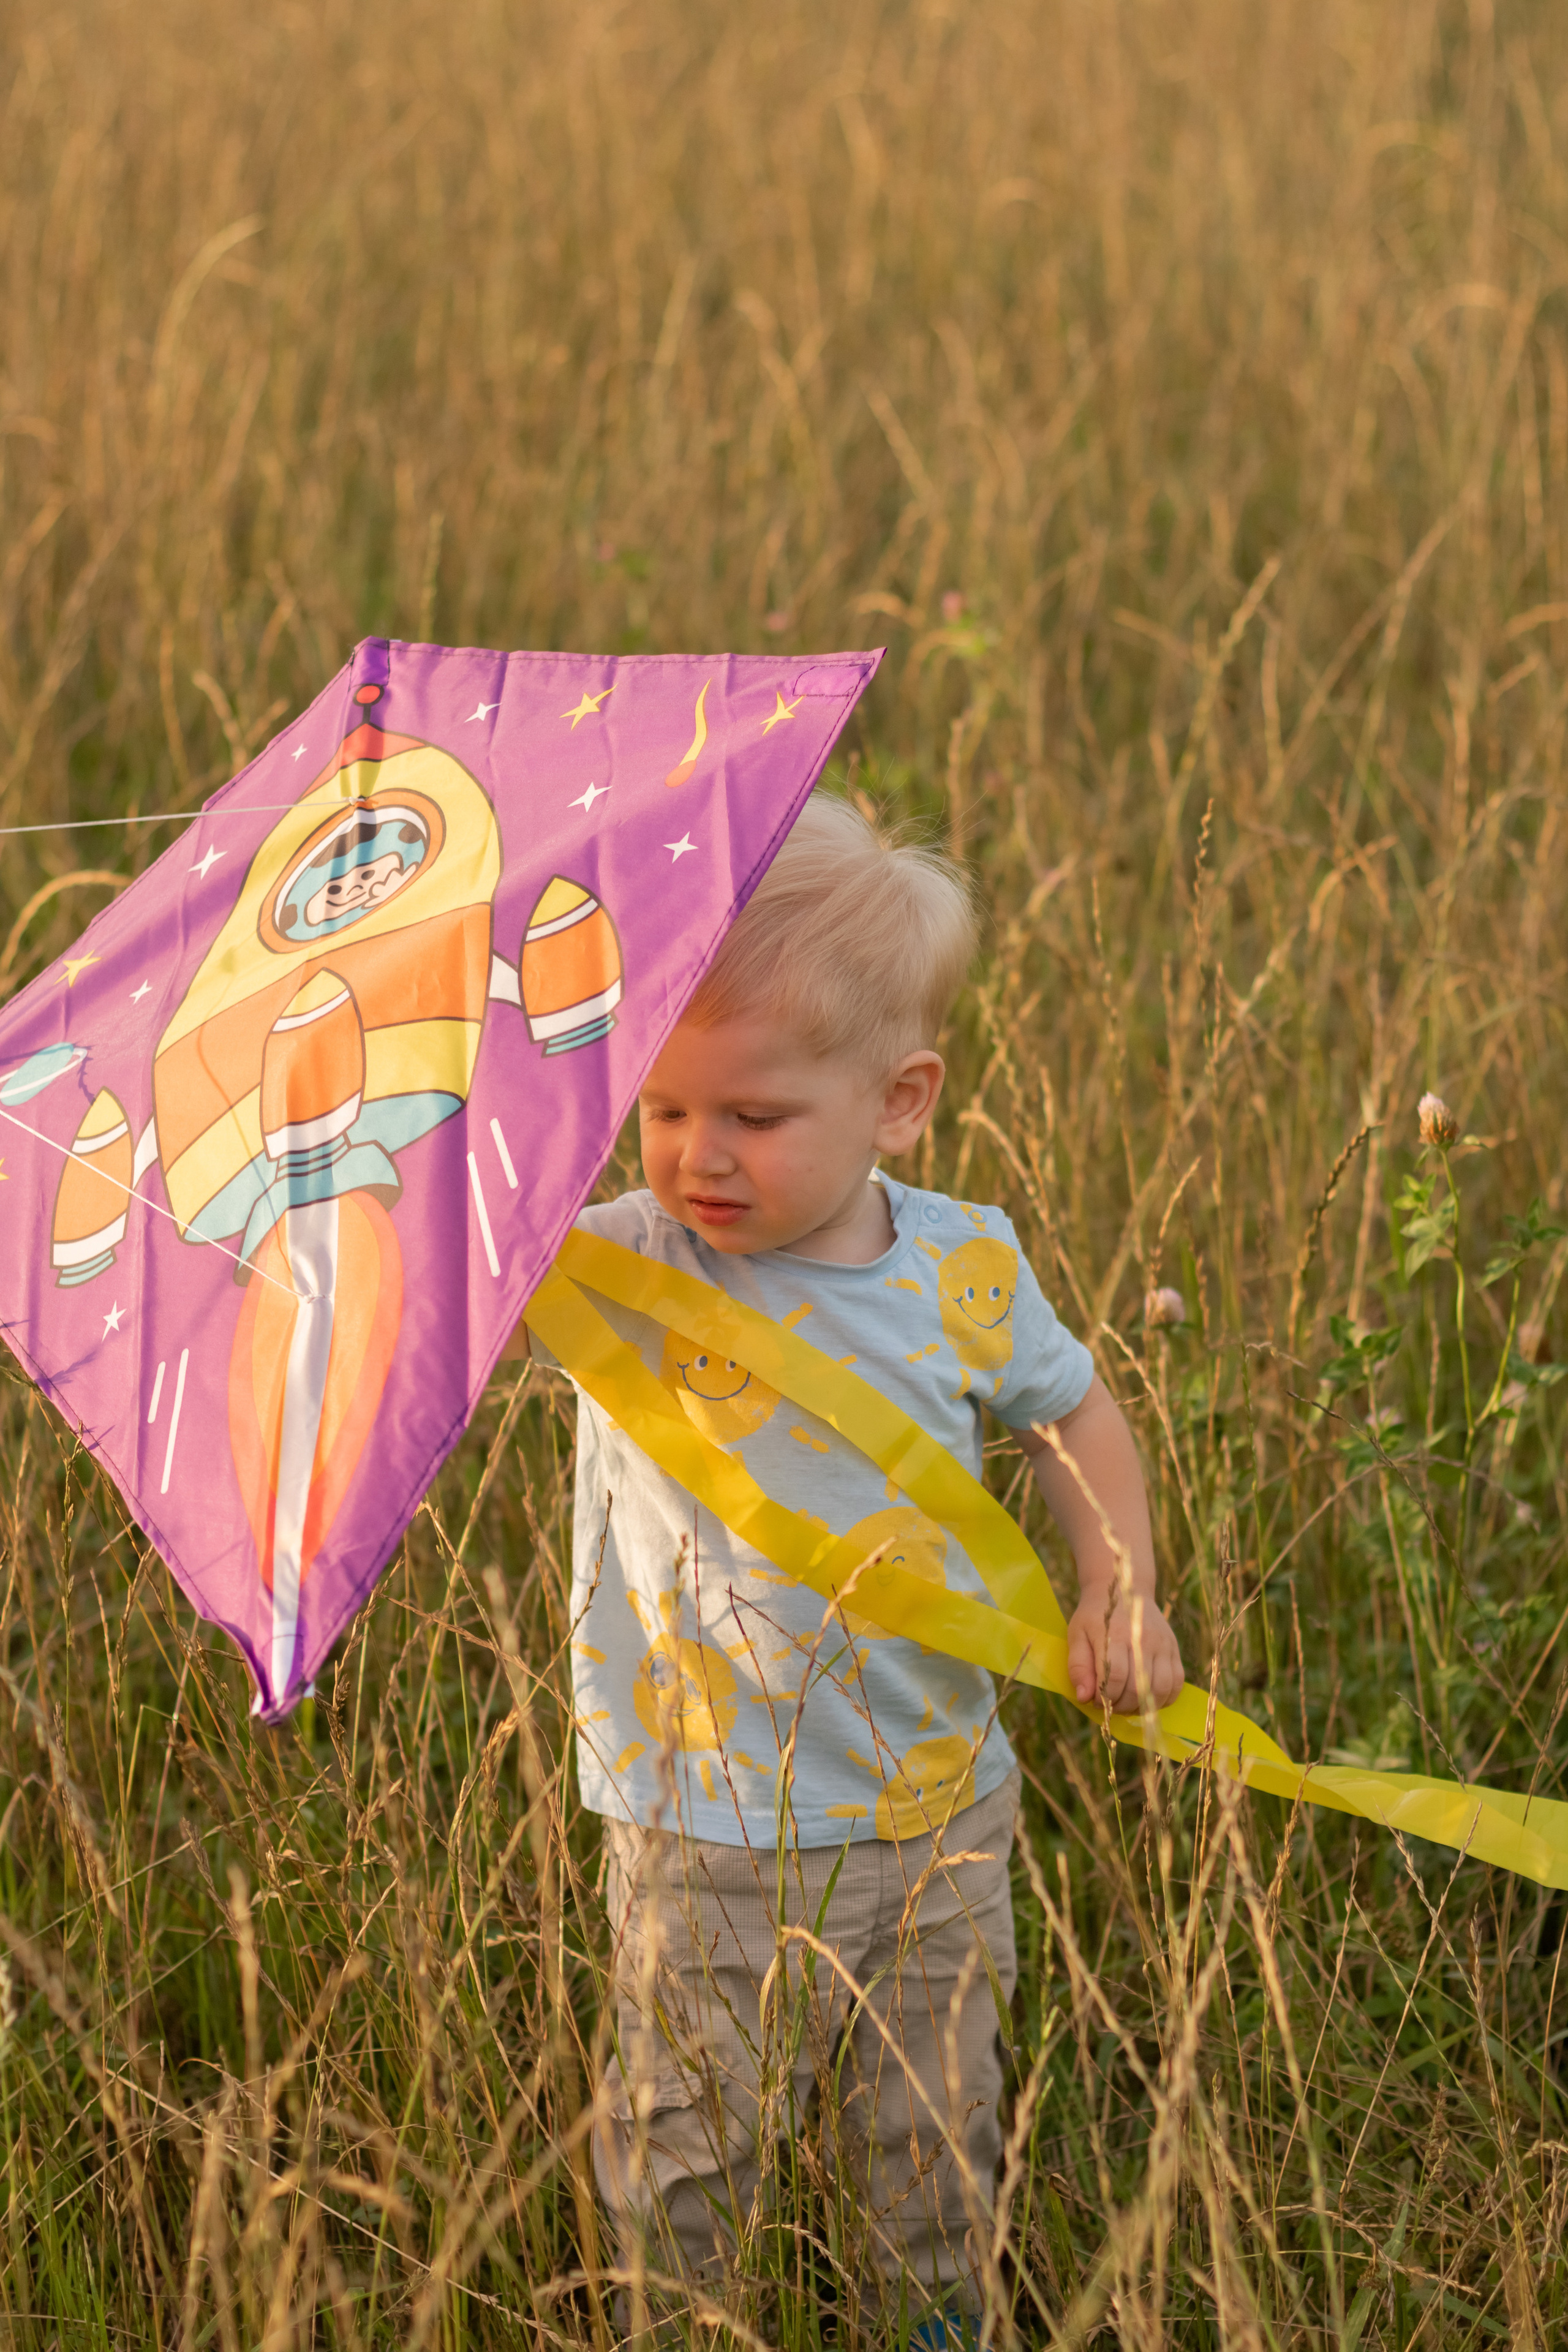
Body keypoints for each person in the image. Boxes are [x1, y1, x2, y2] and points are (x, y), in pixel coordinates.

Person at [503, 791, 1183, 2346]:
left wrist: (1117, 1584)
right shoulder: (614, 1261)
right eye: (662, 1109)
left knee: (933, 2151)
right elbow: (464, 1278)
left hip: (938, 1805)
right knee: (685, 2158)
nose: (695, 1157)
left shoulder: (960, 1270)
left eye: (751, 1116)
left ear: (898, 1101)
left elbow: (1076, 1414)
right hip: (700, 1825)